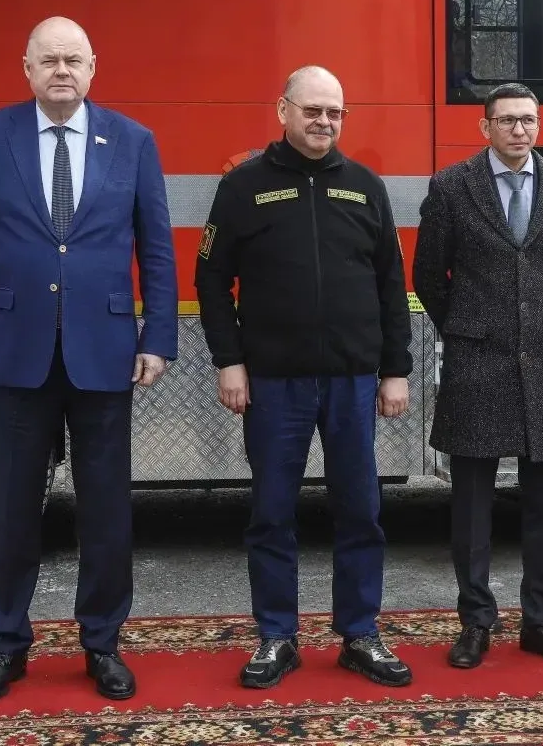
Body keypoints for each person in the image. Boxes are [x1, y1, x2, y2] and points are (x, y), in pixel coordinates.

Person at [0, 16, 178, 704]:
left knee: (106, 512)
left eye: (74, 59)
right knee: (13, 508)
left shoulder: (133, 141)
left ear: (94, 67)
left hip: (105, 352)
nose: (62, 70)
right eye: (49, 60)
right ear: (27, 69)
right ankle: (5, 645)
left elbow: (155, 246)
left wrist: (157, 336)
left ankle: (102, 643)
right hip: (19, 352)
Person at [194, 65, 414, 689]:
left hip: (352, 381)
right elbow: (211, 279)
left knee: (361, 511)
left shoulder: (365, 187)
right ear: (283, 110)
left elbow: (391, 284)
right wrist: (229, 360)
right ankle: (276, 637)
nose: (324, 122)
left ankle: (360, 634)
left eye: (335, 112)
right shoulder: (243, 186)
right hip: (273, 382)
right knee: (271, 513)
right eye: (313, 110)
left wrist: (395, 370)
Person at [411, 82, 543, 670]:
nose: (520, 130)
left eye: (529, 120)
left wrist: (538, 321)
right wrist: (467, 326)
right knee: (471, 507)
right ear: (484, 127)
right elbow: (429, 275)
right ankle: (475, 622)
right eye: (508, 120)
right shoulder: (451, 186)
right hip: (477, 361)